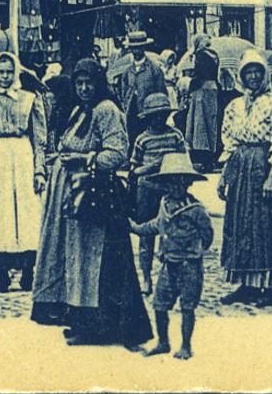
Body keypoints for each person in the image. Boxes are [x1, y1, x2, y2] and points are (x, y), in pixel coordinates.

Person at [31, 59, 152, 348]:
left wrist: (84, 160)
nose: (84, 88)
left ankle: (103, 328)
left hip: (96, 197)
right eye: (79, 83)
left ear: (99, 83)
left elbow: (117, 153)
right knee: (76, 259)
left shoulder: (106, 110)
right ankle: (83, 322)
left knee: (96, 262)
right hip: (73, 195)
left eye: (89, 83)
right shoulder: (78, 111)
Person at [217, 49, 272, 307]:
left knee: (266, 226)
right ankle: (245, 285)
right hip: (241, 170)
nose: (253, 77)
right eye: (248, 72)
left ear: (265, 74)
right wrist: (224, 177)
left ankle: (269, 287)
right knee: (241, 225)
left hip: (263, 167)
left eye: (257, 72)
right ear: (242, 76)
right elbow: (230, 144)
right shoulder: (235, 106)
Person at [0, 52, 48, 293]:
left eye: (9, 72)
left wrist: (39, 170)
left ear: (16, 74)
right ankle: (1, 275)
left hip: (22, 153)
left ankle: (28, 273)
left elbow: (39, 140)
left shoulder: (28, 99)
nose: (5, 77)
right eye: (0, 72)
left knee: (26, 214)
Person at [129, 152, 214, 360]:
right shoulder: (164, 204)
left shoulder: (196, 209)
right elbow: (157, 225)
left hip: (189, 266)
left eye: (180, 183)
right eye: (170, 183)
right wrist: (136, 228)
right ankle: (163, 342)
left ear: (188, 184)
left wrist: (196, 251)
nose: (175, 187)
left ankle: (186, 345)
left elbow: (208, 234)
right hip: (168, 264)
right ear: (165, 185)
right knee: (159, 304)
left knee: (187, 307)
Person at [128, 91, 187, 295]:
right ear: (147, 117)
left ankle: (168, 277)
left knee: (169, 234)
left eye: (162, 114)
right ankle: (145, 277)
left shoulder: (175, 135)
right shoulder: (142, 139)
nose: (158, 119)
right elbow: (134, 167)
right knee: (146, 235)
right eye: (154, 115)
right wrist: (151, 167)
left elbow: (183, 161)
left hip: (169, 189)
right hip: (146, 190)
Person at [182, 38, 223, 172]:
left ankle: (202, 159)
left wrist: (190, 86)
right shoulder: (214, 55)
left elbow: (199, 76)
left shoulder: (200, 55)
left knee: (200, 126)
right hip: (213, 89)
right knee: (212, 125)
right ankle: (211, 158)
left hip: (202, 91)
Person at [118, 32, 167, 133]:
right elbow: (123, 93)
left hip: (148, 112)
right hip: (131, 113)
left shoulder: (154, 69)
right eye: (133, 48)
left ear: (144, 48)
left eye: (139, 48)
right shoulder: (127, 71)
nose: (136, 51)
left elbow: (162, 93)